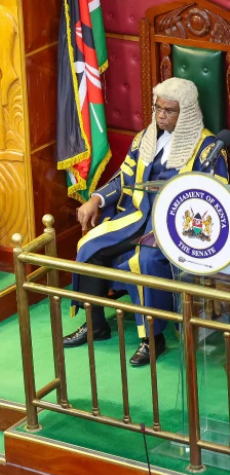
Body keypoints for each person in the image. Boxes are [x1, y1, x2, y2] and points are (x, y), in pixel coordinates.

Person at [65, 78, 228, 365]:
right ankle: (95, 324)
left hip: (177, 229)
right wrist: (97, 200)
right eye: (158, 108)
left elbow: (216, 197)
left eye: (168, 110)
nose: (160, 115)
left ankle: (152, 339)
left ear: (187, 112)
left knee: (144, 262)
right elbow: (124, 178)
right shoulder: (145, 138)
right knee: (89, 245)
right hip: (135, 217)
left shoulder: (207, 149)